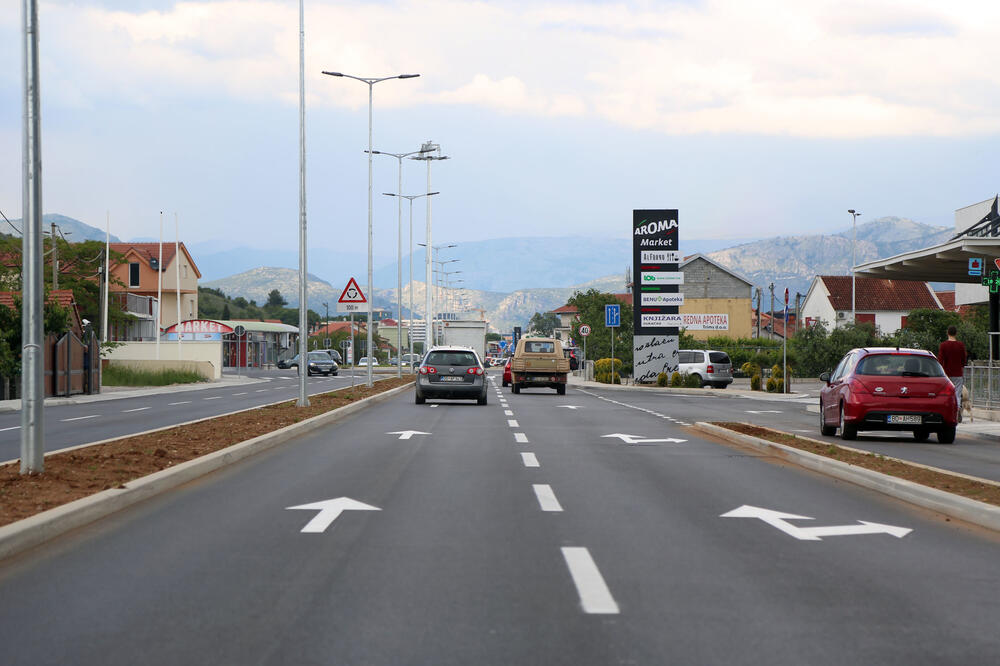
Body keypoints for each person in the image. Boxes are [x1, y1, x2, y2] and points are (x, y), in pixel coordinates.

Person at [938, 325, 967, 418]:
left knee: (946, 394)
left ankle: (948, 410)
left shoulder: (943, 345)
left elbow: (940, 360)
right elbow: (964, 359)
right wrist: (961, 366)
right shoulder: (960, 345)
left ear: (948, 333)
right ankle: (957, 410)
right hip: (958, 373)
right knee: (957, 394)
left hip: (946, 374)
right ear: (956, 333)